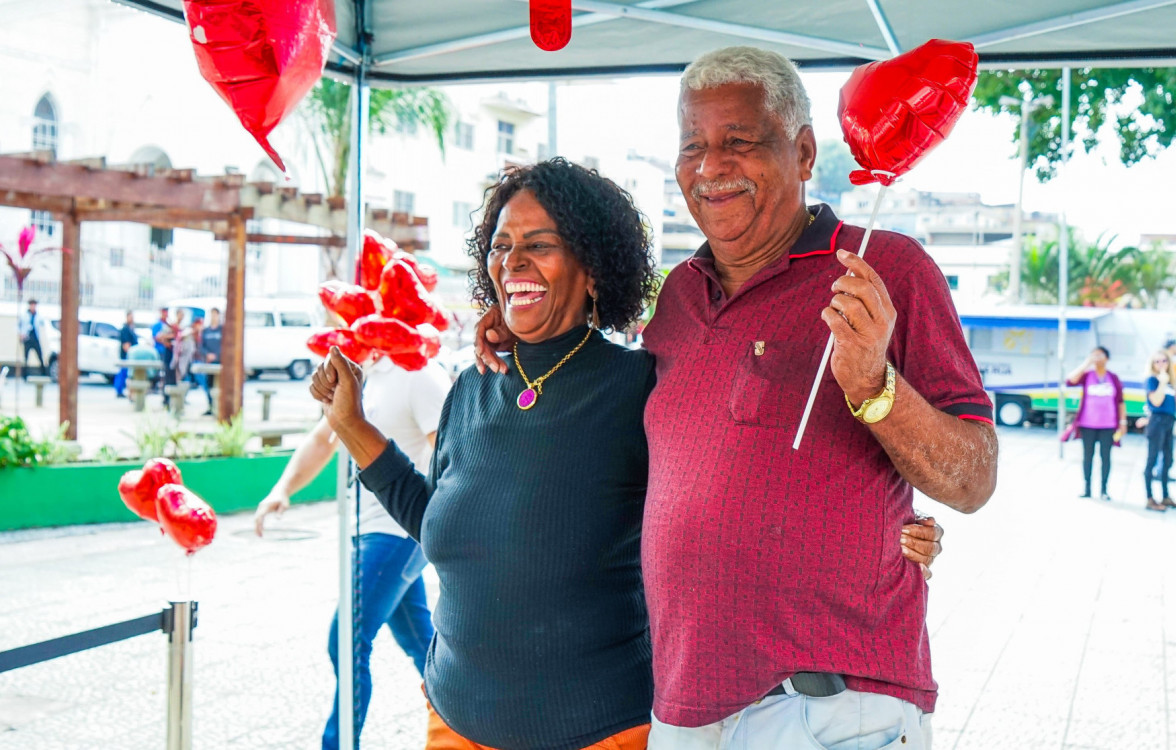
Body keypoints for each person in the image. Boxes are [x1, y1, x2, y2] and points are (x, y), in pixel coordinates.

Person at [323, 159, 943, 750]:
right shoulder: (470, 388)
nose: (513, 260)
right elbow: (438, 524)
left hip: (597, 733)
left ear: (592, 268)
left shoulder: (640, 387)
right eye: (501, 245)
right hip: (452, 721)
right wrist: (349, 424)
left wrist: (886, 530)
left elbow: (745, 487)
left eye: (539, 244)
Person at [493, 49, 996, 750]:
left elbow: (972, 479)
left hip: (824, 707)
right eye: (692, 145)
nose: (710, 166)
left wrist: (875, 388)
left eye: (739, 141)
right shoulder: (678, 297)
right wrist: (519, 343)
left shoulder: (885, 269)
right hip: (685, 706)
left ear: (803, 150)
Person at [255, 357, 449, 750]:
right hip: (369, 528)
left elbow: (450, 452)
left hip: (398, 532)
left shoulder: (419, 373)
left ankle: (339, 743)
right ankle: (463, 721)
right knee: (423, 644)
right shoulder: (363, 372)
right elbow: (323, 438)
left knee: (346, 639)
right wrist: (283, 489)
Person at [1066, 346, 1126, 501]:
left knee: (1105, 457)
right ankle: (1087, 488)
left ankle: (1104, 490)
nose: (1096, 358)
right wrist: (1086, 363)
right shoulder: (1087, 375)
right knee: (1088, 456)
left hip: (1108, 425)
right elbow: (1070, 380)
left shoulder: (1113, 377)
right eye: (1093, 355)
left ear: (1107, 358)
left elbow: (1120, 401)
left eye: (1099, 355)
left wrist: (1122, 421)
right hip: (1087, 424)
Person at [1144, 349, 1176, 511]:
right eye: (1157, 361)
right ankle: (1150, 498)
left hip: (1169, 422)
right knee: (1152, 460)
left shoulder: (1171, 381)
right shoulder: (1153, 380)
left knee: (1167, 460)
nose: (1161, 364)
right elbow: (1156, 402)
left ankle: (1165, 495)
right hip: (1157, 422)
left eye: (1164, 361)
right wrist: (1163, 382)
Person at [199, 308, 222, 415]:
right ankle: (211, 406)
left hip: (220, 362)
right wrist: (207, 354)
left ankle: (219, 407)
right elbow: (201, 346)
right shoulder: (206, 331)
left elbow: (226, 345)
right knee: (209, 385)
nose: (213, 317)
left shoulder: (222, 330)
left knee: (219, 386)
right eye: (212, 314)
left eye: (215, 314)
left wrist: (217, 355)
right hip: (208, 363)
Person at [19, 298, 45, 378]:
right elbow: (18, 326)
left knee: (40, 355)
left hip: (35, 338)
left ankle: (43, 373)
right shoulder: (24, 315)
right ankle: (25, 375)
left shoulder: (38, 315)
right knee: (26, 357)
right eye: (32, 305)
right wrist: (21, 334)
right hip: (27, 338)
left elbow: (43, 323)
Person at [114, 310, 138, 398]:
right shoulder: (125, 329)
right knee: (123, 373)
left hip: (131, 356)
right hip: (126, 356)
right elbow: (126, 345)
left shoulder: (131, 328)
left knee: (127, 374)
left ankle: (125, 391)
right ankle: (119, 390)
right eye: (130, 317)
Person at [150, 306, 172, 394]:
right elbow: (156, 337)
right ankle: (154, 386)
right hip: (158, 351)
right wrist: (164, 338)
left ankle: (163, 387)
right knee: (157, 370)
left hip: (167, 351)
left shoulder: (168, 325)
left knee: (166, 371)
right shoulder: (157, 325)